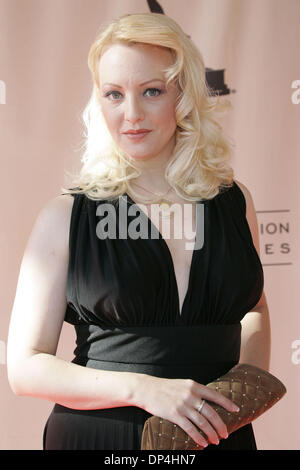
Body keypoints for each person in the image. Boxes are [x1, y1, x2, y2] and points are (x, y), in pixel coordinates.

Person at [7, 12, 271, 450]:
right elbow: (24, 367)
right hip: (103, 439)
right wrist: (144, 388)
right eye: (114, 94)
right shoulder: (65, 217)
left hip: (218, 436)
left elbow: (254, 305)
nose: (131, 115)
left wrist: (245, 394)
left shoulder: (234, 203)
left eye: (151, 91)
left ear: (183, 95)